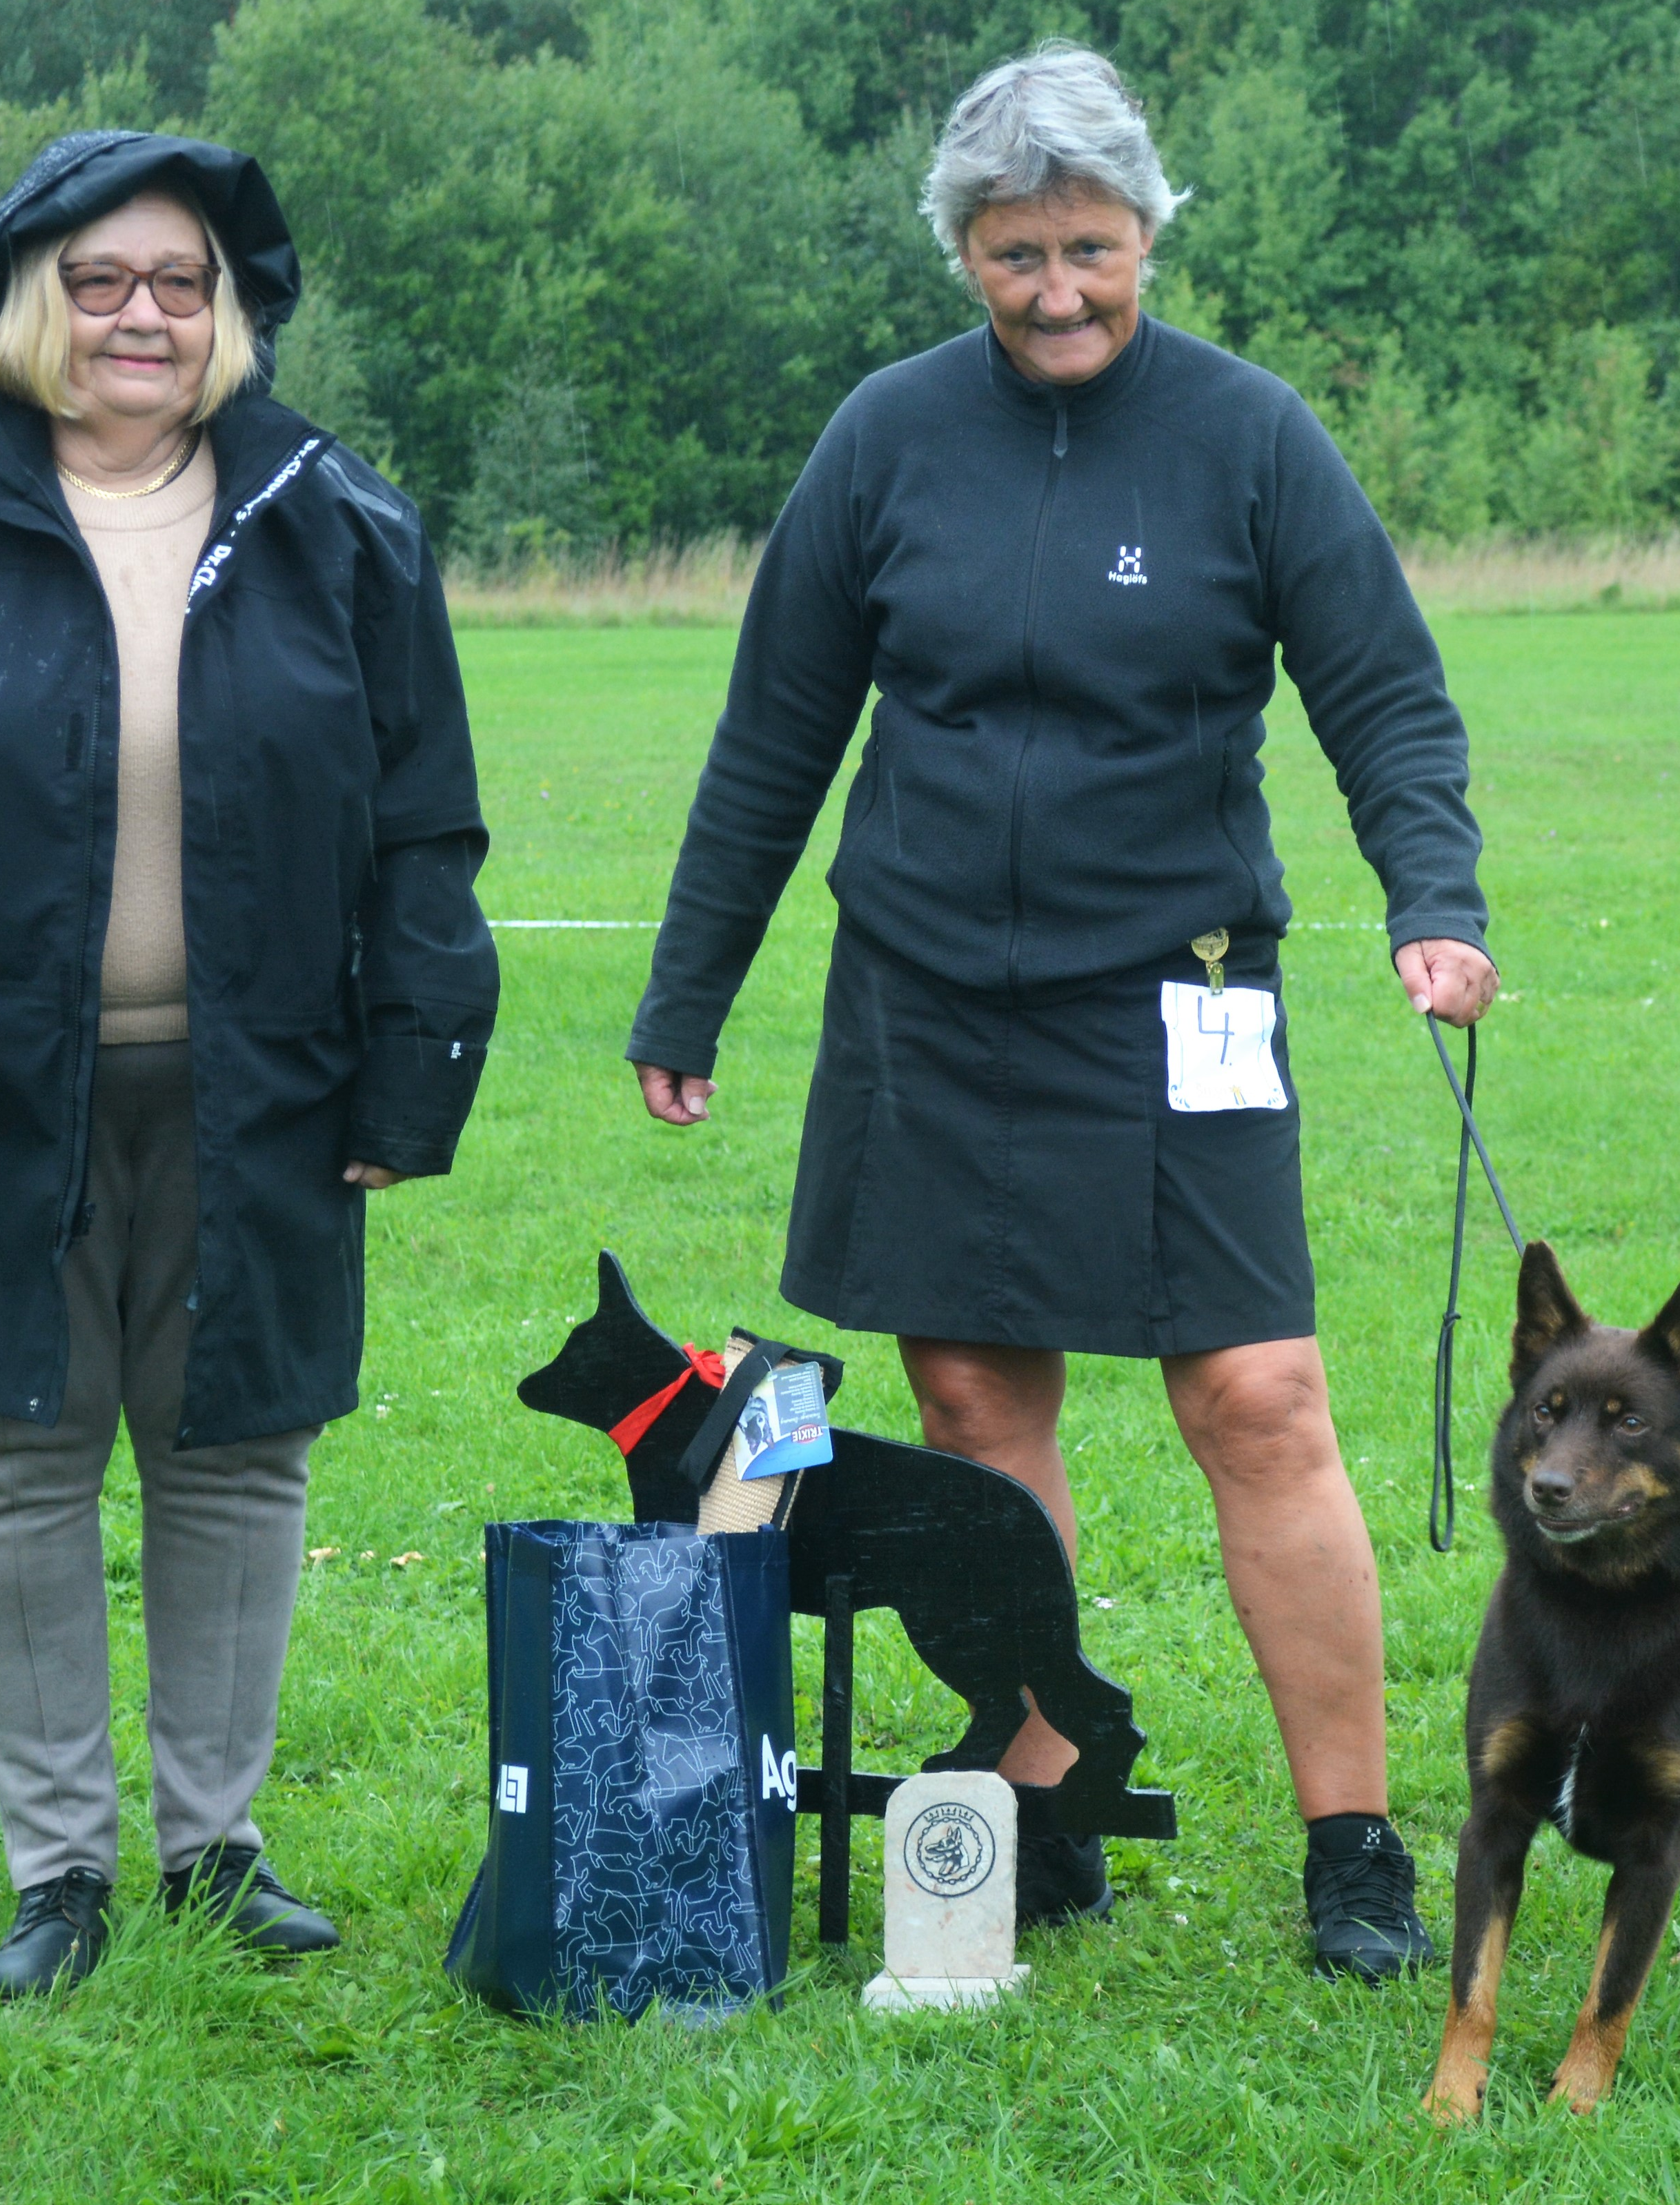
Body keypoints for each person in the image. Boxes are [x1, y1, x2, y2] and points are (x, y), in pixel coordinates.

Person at [625, 45, 1496, 1981]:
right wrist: (694, 986)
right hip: (927, 998)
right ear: (964, 250)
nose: (1056, 292)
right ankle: (1043, 1794)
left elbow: (1386, 698)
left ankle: (1353, 1842)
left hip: (1182, 1002)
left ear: (1147, 234)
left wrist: (1432, 902)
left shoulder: (1255, 443)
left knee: (1257, 1399)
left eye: (1089, 248)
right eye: (1013, 254)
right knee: (968, 1402)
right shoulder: (883, 441)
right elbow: (775, 734)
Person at [0, 132, 499, 1999]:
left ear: (232, 310)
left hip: (265, 1089)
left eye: (181, 282)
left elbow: (424, 828)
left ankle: (213, 1845)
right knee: (5, 1460)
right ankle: (59, 1867)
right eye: (99, 282)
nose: (143, 314)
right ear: (23, 304)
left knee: (238, 1451)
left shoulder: (339, 515)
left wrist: (411, 1077)